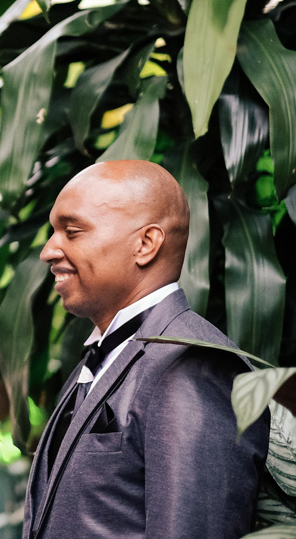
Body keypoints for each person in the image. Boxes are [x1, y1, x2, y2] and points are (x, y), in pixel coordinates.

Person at [22, 160, 269, 539]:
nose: (48, 251)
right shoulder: (99, 359)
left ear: (145, 244)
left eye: (71, 232)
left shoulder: (193, 367)